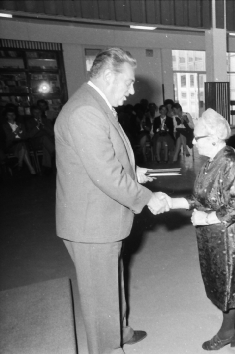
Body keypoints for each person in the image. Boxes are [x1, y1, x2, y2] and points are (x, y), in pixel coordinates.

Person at [54, 48, 171, 354]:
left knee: (110, 284)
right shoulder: (86, 111)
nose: (132, 90)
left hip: (100, 218)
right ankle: (108, 347)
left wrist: (133, 170)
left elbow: (104, 156)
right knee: (99, 298)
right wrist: (147, 198)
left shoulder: (95, 104)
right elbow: (105, 174)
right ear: (108, 76)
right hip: (91, 223)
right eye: (129, 82)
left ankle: (119, 331)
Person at [169, 109, 235, 350]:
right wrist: (173, 202)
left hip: (231, 232)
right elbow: (203, 197)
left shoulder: (231, 163)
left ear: (216, 138)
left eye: (198, 138)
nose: (193, 142)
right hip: (219, 231)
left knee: (230, 277)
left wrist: (206, 218)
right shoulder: (213, 161)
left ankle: (228, 332)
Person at [2, 108, 36, 175]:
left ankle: (20, 163)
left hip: (21, 142)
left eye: (13, 114)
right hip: (11, 144)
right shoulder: (5, 126)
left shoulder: (20, 124)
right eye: (9, 115)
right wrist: (16, 131)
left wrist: (20, 133)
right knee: (23, 145)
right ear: (6, 116)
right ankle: (30, 168)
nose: (11, 116)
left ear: (15, 115)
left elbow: (25, 136)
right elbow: (9, 138)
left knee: (22, 144)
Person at [26, 105, 55, 172]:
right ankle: (54, 153)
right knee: (45, 139)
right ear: (32, 113)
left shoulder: (46, 120)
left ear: (41, 113)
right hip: (36, 142)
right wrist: (37, 127)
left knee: (46, 145)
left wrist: (43, 126)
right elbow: (29, 135)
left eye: (39, 112)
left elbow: (52, 133)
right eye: (35, 112)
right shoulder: (29, 122)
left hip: (48, 143)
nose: (37, 114)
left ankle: (47, 167)